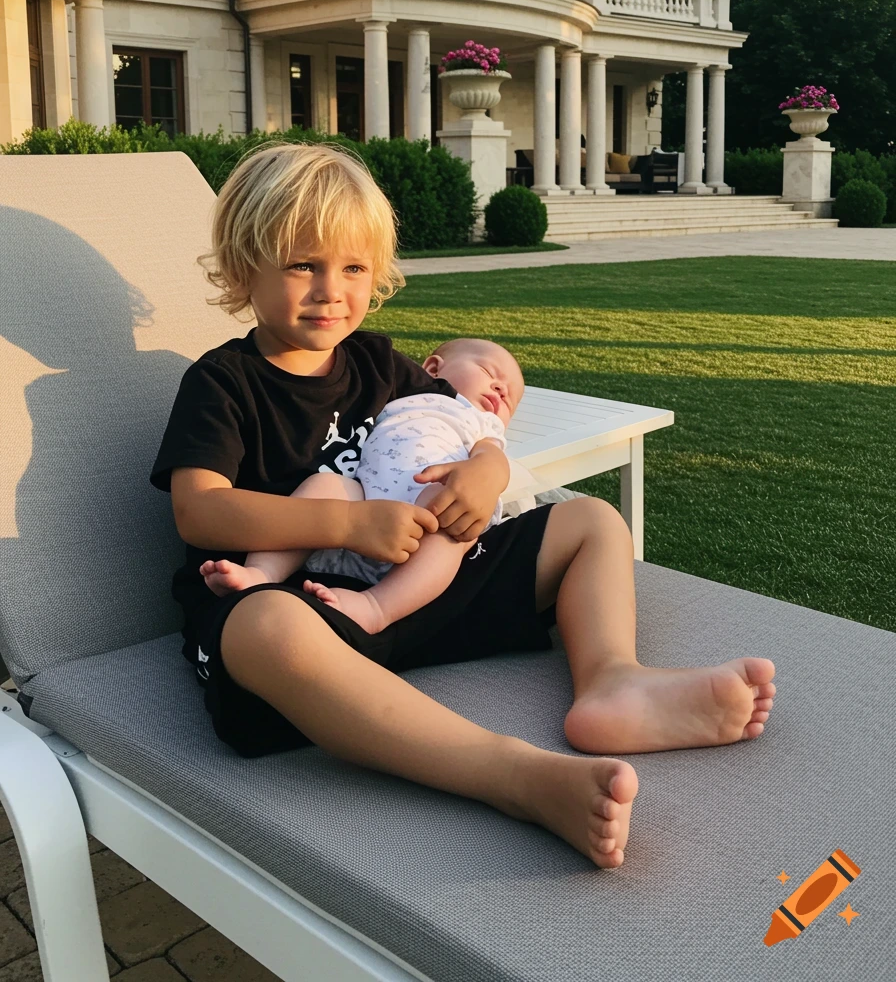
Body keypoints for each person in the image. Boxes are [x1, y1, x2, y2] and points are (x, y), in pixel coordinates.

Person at [151, 142, 776, 871]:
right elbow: (200, 512)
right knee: (266, 628)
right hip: (299, 612)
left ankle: (612, 681)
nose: (331, 291)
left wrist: (487, 470)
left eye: (353, 268)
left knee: (589, 520)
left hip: (411, 592)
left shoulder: (380, 364)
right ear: (242, 267)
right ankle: (516, 778)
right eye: (303, 265)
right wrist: (347, 523)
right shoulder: (222, 384)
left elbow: (470, 429)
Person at [199, 336, 524, 635]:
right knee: (325, 484)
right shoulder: (399, 392)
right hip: (364, 517)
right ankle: (261, 573)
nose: (501, 390)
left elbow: (489, 453)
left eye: (511, 396)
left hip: (431, 519)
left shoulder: (480, 421)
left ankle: (376, 607)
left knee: (449, 519)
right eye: (489, 372)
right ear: (434, 367)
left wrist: (486, 470)